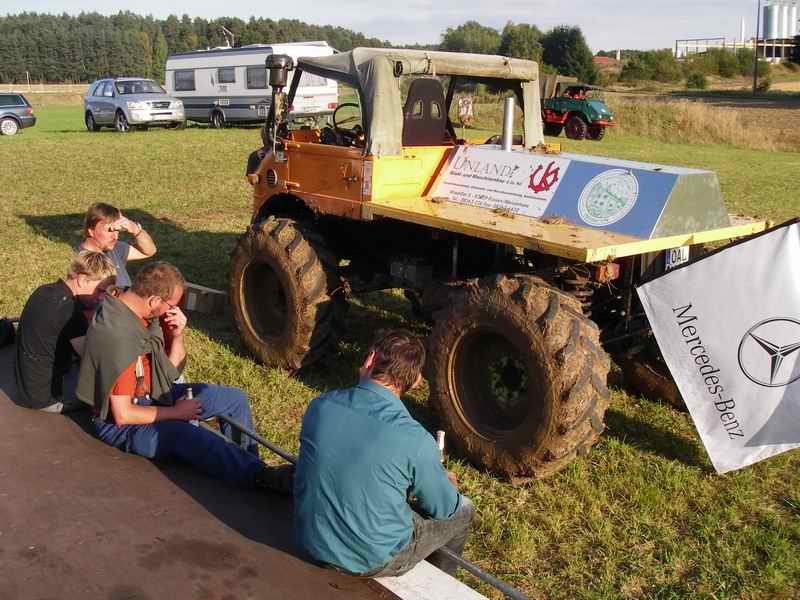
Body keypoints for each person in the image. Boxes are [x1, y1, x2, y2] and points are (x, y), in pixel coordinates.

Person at [293, 329, 475, 578]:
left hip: (309, 542)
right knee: (464, 509)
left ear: (369, 359)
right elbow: (443, 508)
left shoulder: (320, 405)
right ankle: (439, 585)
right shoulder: (416, 439)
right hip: (372, 561)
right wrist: (447, 485)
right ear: (416, 381)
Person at [76, 261, 272, 488]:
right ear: (154, 301)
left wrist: (177, 335)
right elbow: (123, 414)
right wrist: (177, 412)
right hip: (122, 426)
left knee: (234, 399)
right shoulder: (119, 338)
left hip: (154, 394)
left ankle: (252, 468)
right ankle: (258, 476)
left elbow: (171, 370)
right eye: (171, 305)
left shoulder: (137, 308)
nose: (172, 311)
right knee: (185, 434)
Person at [14, 251, 116, 413]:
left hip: (27, 384)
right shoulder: (70, 310)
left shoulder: (44, 290)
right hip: (47, 398)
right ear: (82, 280)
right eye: (100, 290)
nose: (101, 297)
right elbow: (91, 358)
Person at [77, 202, 157, 289]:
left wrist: (135, 230)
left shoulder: (114, 248)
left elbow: (149, 251)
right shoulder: (81, 261)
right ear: (91, 231)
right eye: (110, 230)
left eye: (117, 230)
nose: (115, 236)